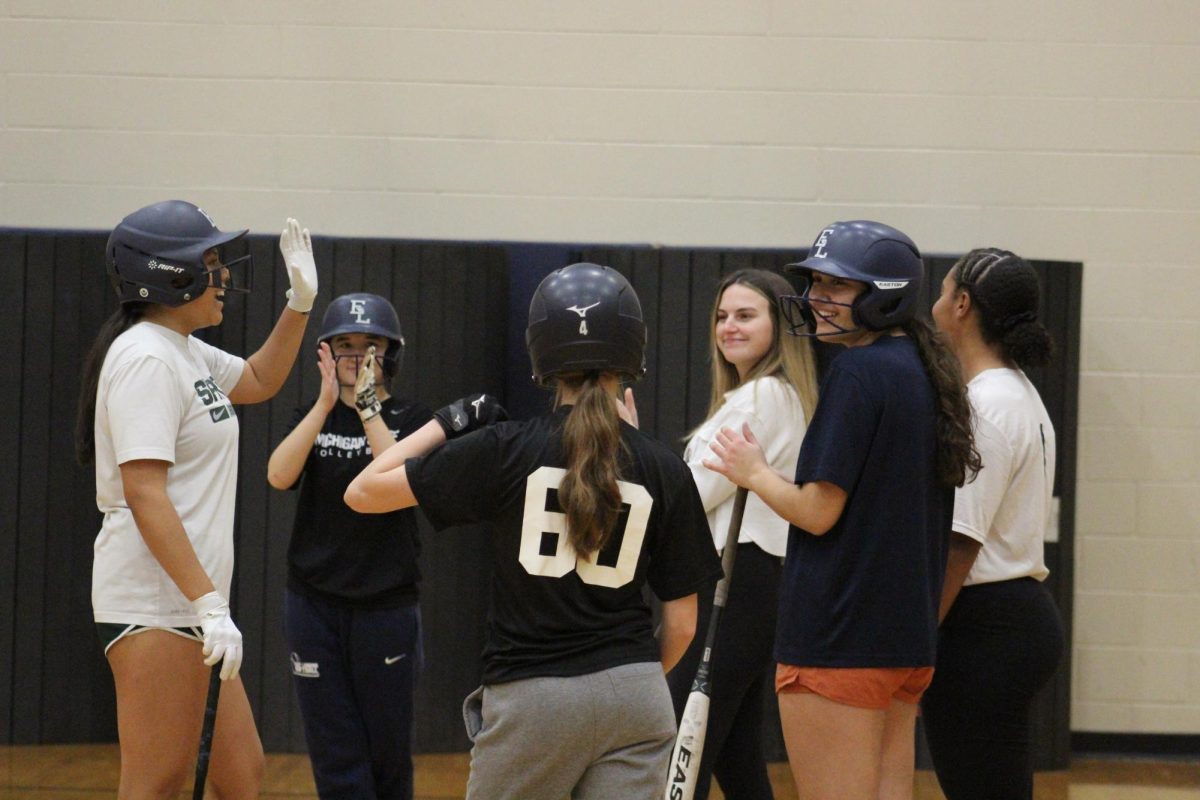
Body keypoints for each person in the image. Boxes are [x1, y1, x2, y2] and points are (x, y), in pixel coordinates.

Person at [344, 262, 724, 800]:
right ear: (632, 350)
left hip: (534, 699)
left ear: (541, 351)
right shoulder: (664, 465)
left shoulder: (503, 447)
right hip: (637, 697)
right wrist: (624, 681)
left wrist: (446, 423)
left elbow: (363, 491)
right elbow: (682, 624)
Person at [704, 220, 980, 800]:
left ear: (884, 296)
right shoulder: (926, 371)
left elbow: (818, 511)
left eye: (836, 287)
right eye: (816, 284)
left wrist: (753, 473)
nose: (815, 299)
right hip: (904, 642)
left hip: (840, 636)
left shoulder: (859, 371)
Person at [75, 200, 318, 798]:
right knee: (155, 783)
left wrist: (300, 303)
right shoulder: (145, 358)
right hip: (158, 603)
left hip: (190, 606)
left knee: (241, 774)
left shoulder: (181, 348)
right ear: (167, 273)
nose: (225, 275)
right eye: (210, 261)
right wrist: (208, 604)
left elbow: (260, 380)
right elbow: (144, 491)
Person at [266, 293, 432, 799]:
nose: (357, 355)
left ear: (392, 354)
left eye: (370, 345)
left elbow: (399, 475)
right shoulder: (311, 418)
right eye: (345, 345)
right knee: (335, 753)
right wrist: (322, 405)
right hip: (314, 608)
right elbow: (277, 474)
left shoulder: (412, 419)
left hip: (386, 609)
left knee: (386, 754)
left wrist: (365, 407)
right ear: (325, 354)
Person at [667, 269, 819, 800]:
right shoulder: (768, 396)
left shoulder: (762, 399)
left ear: (779, 324)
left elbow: (688, 496)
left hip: (737, 584)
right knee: (735, 754)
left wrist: (627, 452)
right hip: (754, 584)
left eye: (746, 315)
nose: (729, 327)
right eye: (722, 316)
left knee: (681, 752)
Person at [922, 248, 1065, 800]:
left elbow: (961, 542)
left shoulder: (988, 404)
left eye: (941, 292)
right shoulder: (1014, 390)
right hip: (1009, 621)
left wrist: (918, 637)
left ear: (961, 305)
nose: (933, 304)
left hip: (985, 626)